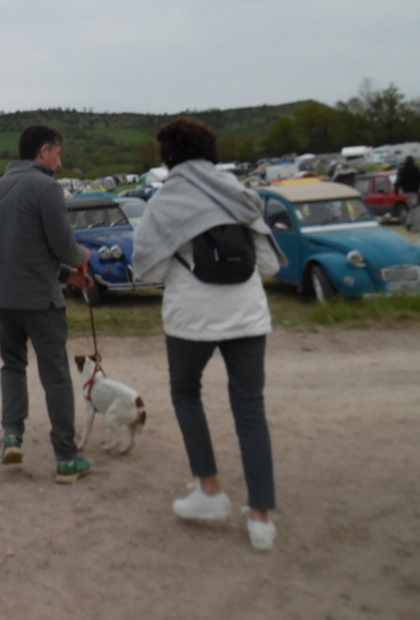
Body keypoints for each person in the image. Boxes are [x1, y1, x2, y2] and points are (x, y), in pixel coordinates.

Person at [132, 117, 286, 552]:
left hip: (191, 318)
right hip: (247, 314)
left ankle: (210, 490)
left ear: (168, 157)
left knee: (186, 393)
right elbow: (269, 264)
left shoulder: (165, 202)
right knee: (250, 406)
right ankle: (261, 520)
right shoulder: (239, 192)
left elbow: (149, 270)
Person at [0, 124, 94, 484]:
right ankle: (66, 459)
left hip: (0, 297)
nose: (59, 163)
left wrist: (65, 276)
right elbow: (63, 246)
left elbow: (19, 249)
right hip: (38, 300)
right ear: (44, 151)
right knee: (56, 376)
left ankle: (11, 436)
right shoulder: (46, 187)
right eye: (58, 155)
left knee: (12, 366)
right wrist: (82, 257)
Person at [394, 156, 420, 233]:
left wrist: (396, 190)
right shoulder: (416, 169)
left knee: (411, 207)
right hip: (415, 191)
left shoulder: (402, 170)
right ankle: (416, 228)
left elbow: (398, 181)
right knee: (416, 209)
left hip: (406, 192)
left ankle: (409, 222)